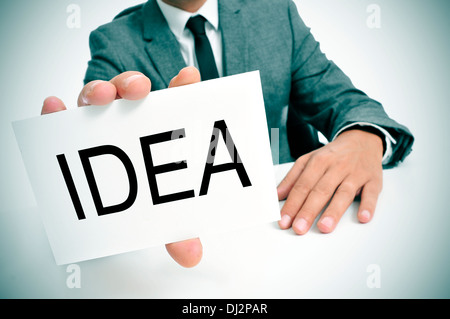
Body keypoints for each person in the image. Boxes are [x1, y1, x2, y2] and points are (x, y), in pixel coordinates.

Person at [41, 0, 414, 268]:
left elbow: (341, 99)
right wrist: (89, 147)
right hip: (199, 250)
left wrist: (364, 136)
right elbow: (100, 116)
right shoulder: (115, 41)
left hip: (294, 228)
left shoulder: (274, 12)